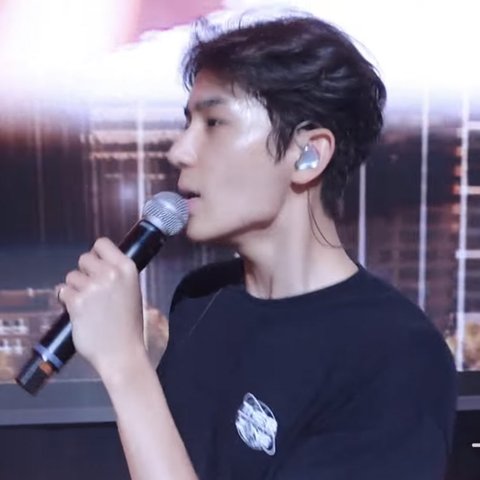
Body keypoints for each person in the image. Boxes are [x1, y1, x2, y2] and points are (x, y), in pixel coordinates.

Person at [57, 12, 457, 480]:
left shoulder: (395, 356)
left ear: (308, 154)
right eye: (188, 123)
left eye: (214, 123)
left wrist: (126, 366)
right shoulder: (201, 299)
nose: (179, 151)